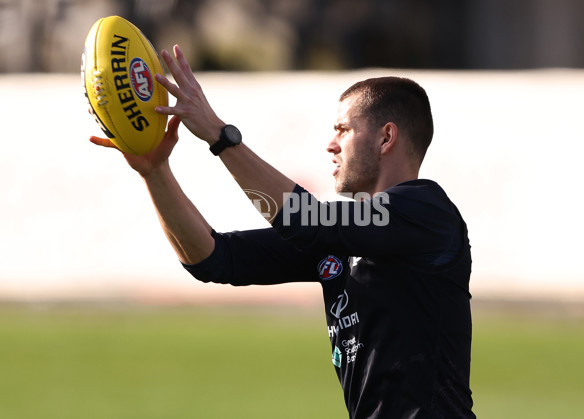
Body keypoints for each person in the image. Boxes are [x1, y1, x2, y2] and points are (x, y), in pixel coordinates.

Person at [91, 45, 475, 419]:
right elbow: (215, 258)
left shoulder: (426, 211)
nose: (331, 144)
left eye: (343, 130)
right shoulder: (344, 238)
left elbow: (307, 222)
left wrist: (218, 134)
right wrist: (155, 173)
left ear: (385, 138)